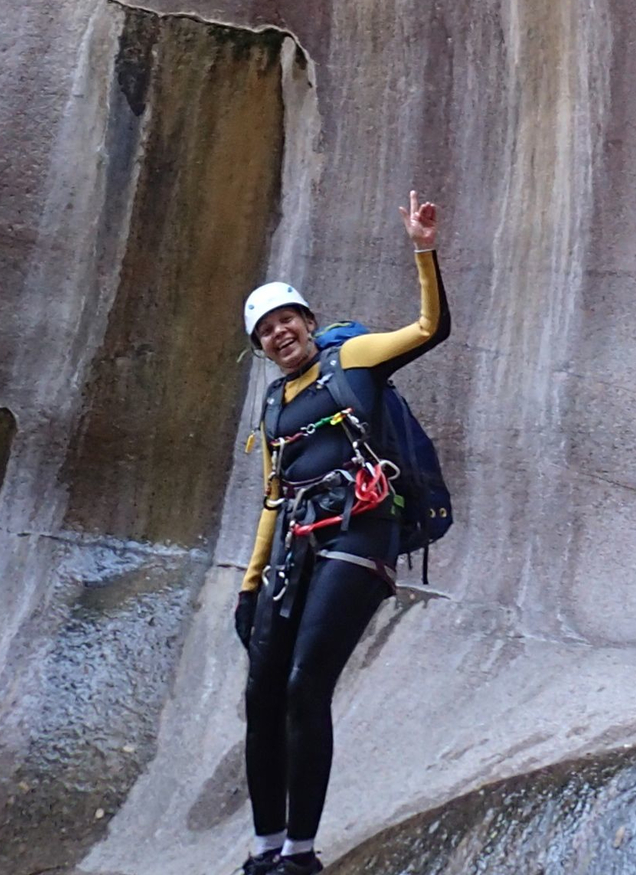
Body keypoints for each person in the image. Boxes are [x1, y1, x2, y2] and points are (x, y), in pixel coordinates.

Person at [237, 191, 450, 875]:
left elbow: (428, 328)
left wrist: (423, 249)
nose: (280, 331)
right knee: (261, 690)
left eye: (288, 317)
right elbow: (275, 499)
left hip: (361, 534)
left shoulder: (352, 357)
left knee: (304, 684)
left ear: (309, 319)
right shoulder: (274, 404)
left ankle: (301, 854)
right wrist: (249, 585)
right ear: (261, 346)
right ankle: (266, 847)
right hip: (299, 547)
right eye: (266, 328)